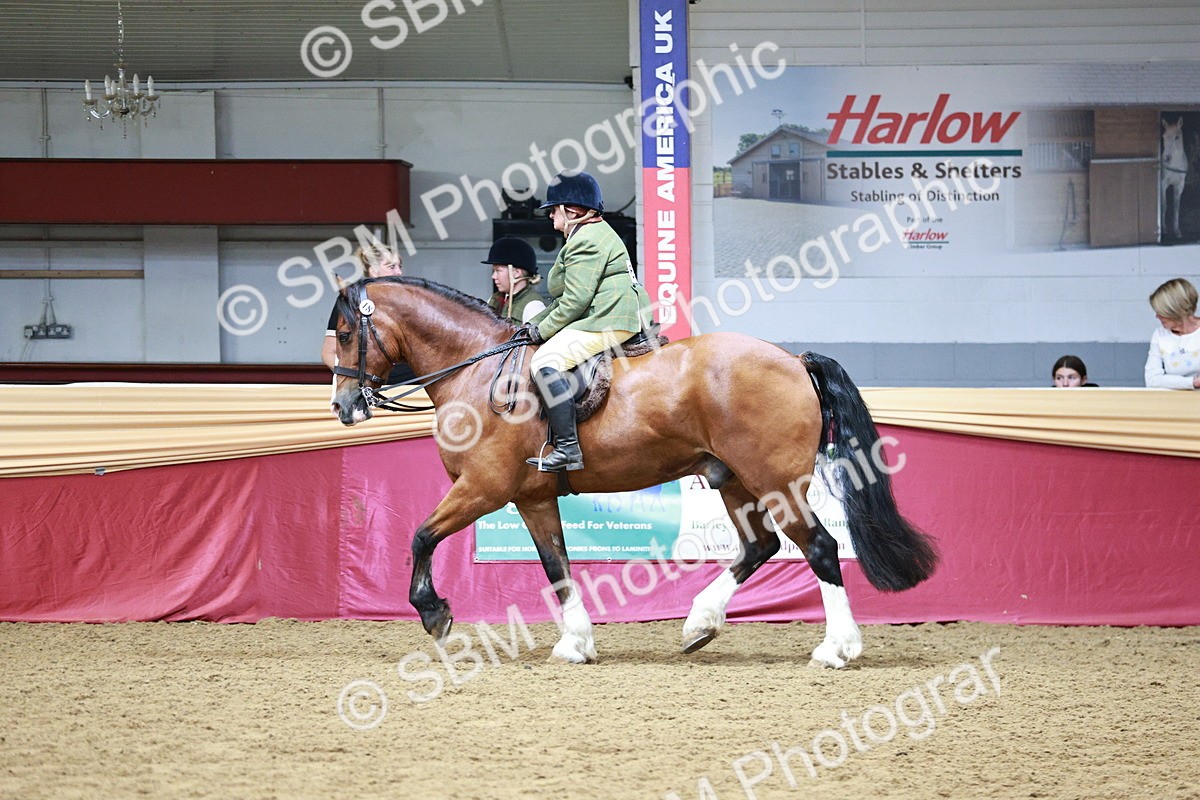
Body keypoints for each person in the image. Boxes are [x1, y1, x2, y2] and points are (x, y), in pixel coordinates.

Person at [520, 171, 653, 472]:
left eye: (553, 209)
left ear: (573, 210)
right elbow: (563, 298)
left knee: (545, 362)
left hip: (607, 317)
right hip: (604, 312)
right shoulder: (587, 235)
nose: (550, 215)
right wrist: (530, 326)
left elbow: (576, 301)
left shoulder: (587, 240)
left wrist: (542, 330)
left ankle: (567, 449)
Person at [321, 242, 416, 385]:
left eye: (399, 266)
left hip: (412, 385)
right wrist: (354, 378)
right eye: (391, 267)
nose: (399, 272)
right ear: (373, 271)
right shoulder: (351, 299)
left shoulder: (409, 300)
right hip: (369, 387)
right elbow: (329, 353)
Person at [1144, 278, 1200, 390]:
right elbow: (1152, 380)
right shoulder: (1160, 335)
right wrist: (1193, 383)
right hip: (1172, 403)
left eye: (1161, 312)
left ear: (1175, 310)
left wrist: (1171, 381)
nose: (1157, 316)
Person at [483, 236, 546, 323]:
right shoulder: (493, 300)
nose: (493, 276)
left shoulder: (533, 306)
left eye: (498, 271)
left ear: (516, 273)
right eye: (494, 271)